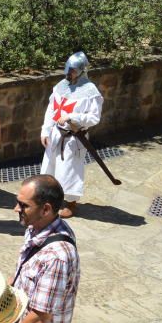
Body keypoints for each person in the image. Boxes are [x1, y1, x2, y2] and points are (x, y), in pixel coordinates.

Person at [11, 174, 80, 323]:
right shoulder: (36, 228)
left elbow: (39, 317)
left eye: (24, 205)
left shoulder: (57, 257)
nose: (16, 209)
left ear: (46, 209)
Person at [38, 51, 103, 218]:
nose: (69, 73)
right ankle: (50, 199)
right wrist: (45, 130)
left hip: (73, 139)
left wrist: (73, 117)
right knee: (50, 167)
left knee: (70, 171)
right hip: (55, 135)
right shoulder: (61, 86)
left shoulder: (91, 91)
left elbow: (94, 118)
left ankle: (71, 203)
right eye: (68, 69)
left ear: (82, 70)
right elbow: (51, 109)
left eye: (72, 70)